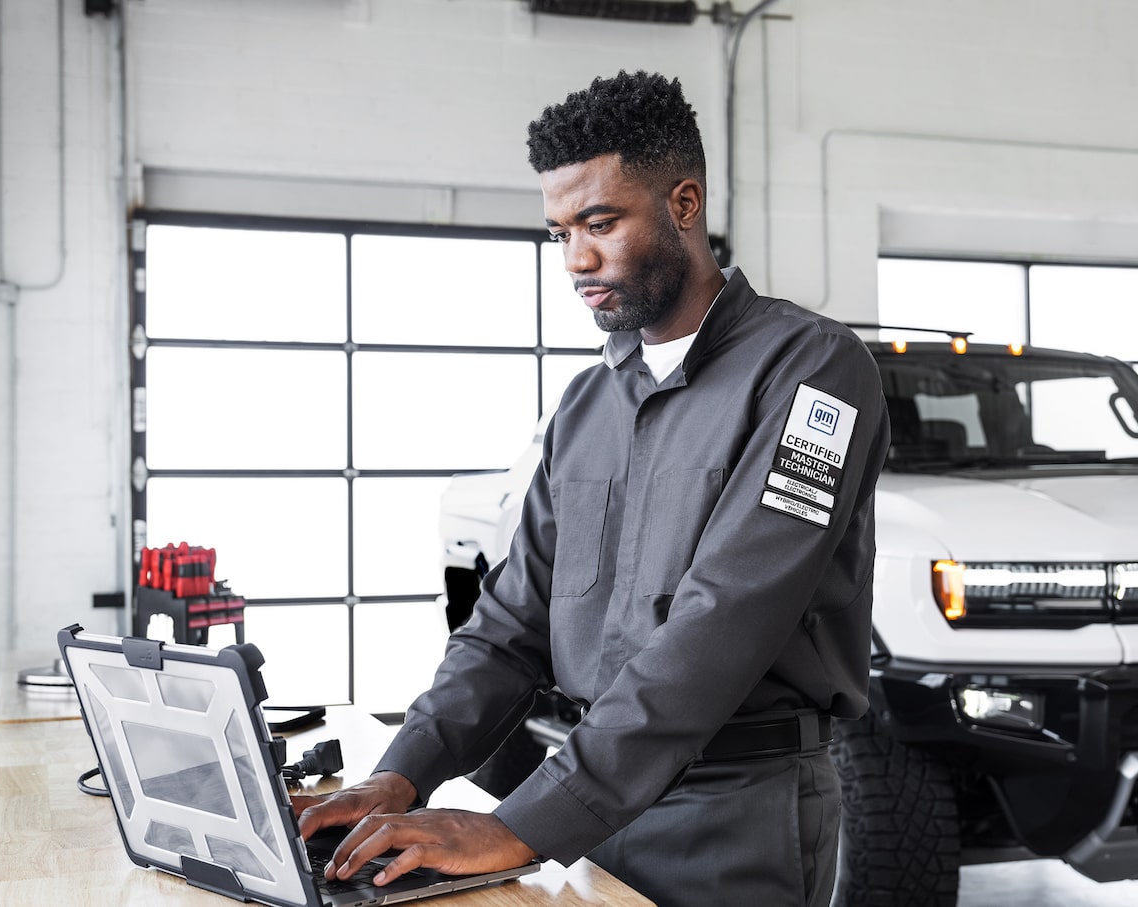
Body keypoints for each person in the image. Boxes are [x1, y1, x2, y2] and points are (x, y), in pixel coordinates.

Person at [294, 69, 889, 907]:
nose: (576, 260)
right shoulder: (586, 405)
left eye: (600, 223)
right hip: (589, 795)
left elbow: (722, 621)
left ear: (684, 203)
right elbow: (508, 621)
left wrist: (520, 824)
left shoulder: (811, 371)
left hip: (731, 810)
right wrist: (403, 772)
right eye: (559, 230)